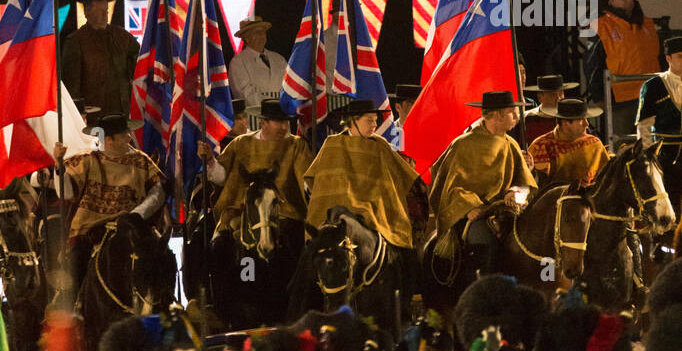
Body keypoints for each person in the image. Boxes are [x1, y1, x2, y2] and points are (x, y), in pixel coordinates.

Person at [56, 113, 166, 295]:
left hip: (132, 226)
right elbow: (66, 192)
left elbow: (158, 192)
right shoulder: (86, 160)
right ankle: (74, 306)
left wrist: (136, 215)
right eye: (124, 134)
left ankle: (163, 300)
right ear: (109, 140)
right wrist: (59, 166)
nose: (130, 137)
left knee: (160, 256)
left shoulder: (141, 160)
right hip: (90, 229)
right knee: (75, 268)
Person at [429, 90, 537, 275]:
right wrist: (469, 206)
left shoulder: (511, 144)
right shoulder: (463, 144)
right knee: (485, 241)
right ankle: (482, 288)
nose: (517, 116)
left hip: (507, 211)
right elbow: (449, 186)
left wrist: (514, 193)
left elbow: (524, 183)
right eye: (512, 112)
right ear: (496, 115)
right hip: (473, 214)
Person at [304, 98, 418, 249]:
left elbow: (401, 174)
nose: (374, 125)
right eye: (369, 120)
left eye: (376, 120)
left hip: (376, 210)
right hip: (336, 211)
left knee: (403, 246)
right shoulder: (332, 144)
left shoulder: (380, 145)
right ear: (353, 120)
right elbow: (314, 179)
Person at [204, 100, 311, 237]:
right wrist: (209, 160)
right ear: (263, 123)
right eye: (279, 122)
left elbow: (306, 179)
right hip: (242, 211)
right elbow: (223, 178)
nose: (284, 127)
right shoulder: (241, 143)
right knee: (221, 242)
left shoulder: (297, 145)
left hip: (286, 213)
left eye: (286, 122)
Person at [582, 0, 661, 139]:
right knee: (622, 145)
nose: (630, 0)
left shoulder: (647, 24)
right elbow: (591, 63)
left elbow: (658, 57)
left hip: (649, 95)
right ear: (612, 0)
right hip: (620, 98)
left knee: (649, 144)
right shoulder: (600, 25)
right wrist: (598, 96)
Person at [62, 0, 139, 124]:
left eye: (106, 10)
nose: (105, 15)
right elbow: (71, 83)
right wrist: (77, 113)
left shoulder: (121, 36)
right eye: (99, 11)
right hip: (94, 113)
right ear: (87, 13)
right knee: (98, 144)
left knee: (121, 142)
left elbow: (139, 62)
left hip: (122, 110)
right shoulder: (76, 41)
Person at [637, 32, 682, 212]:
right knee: (667, 201)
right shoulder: (654, 85)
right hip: (665, 154)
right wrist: (648, 157)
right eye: (680, 56)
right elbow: (644, 125)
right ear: (668, 58)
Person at [530, 98, 609, 186]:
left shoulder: (594, 143)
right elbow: (536, 185)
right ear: (565, 123)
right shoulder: (541, 146)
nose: (586, 124)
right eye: (581, 120)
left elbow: (607, 177)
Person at [227, 17, 287, 112]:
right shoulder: (238, 62)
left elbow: (288, 87)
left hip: (280, 116)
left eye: (263, 32)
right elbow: (245, 95)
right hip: (254, 119)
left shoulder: (279, 59)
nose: (262, 36)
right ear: (246, 38)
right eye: (257, 33)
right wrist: (273, 108)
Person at [522, 74, 580, 146]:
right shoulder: (527, 118)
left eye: (561, 93)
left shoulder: (572, 118)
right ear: (540, 96)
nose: (558, 98)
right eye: (553, 94)